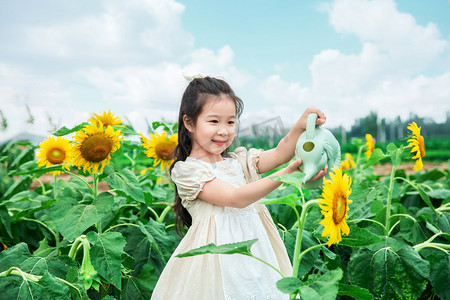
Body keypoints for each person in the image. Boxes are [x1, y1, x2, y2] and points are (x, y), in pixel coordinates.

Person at [151, 76, 327, 300]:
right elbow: (235, 198)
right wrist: (288, 174)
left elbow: (280, 153)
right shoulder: (188, 172)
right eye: (214, 122)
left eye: (230, 122)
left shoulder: (238, 161)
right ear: (189, 123)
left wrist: (300, 126)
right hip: (215, 262)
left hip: (257, 252)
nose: (224, 131)